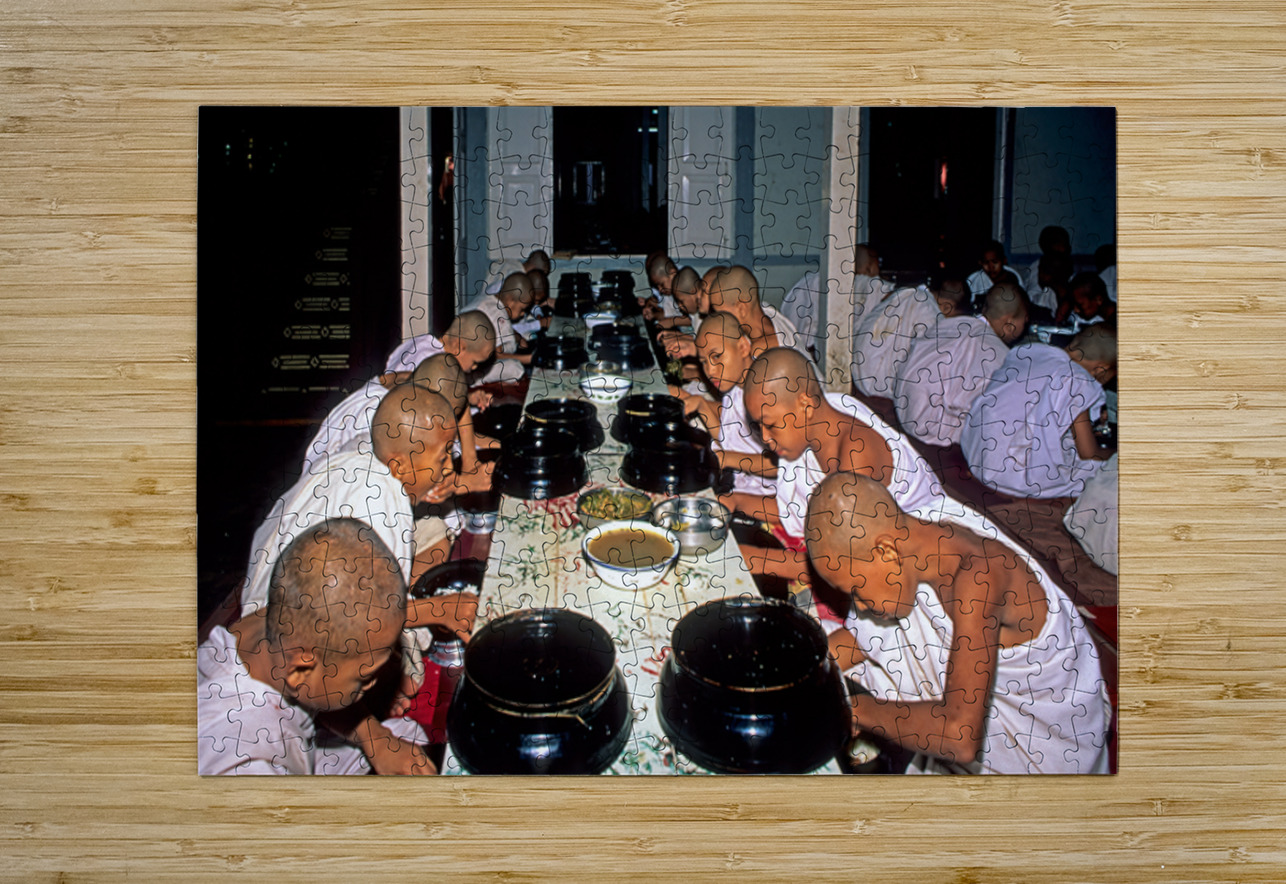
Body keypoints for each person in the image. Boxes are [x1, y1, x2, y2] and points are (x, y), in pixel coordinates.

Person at [807, 473, 1111, 774]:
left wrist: (854, 711)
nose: (858, 605)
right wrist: (804, 675)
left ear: (885, 550)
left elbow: (960, 736)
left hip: (1043, 752)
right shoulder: (915, 537)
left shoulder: (979, 579)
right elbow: (864, 639)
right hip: (965, 716)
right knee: (827, 650)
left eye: (856, 591)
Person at [200, 518, 435, 775]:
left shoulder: (279, 622)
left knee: (408, 740)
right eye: (364, 678)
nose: (373, 684)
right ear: (300, 670)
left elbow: (316, 689)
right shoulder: (244, 763)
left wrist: (377, 740)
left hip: (302, 742)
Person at [733, 347, 944, 581]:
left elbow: (841, 566)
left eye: (770, 425)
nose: (765, 438)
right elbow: (799, 508)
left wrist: (751, 558)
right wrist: (735, 501)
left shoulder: (858, 456)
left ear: (804, 403)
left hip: (921, 565)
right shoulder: (817, 424)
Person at [961, 324, 1117, 499]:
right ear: (1101, 369)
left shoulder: (1029, 351)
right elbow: (1090, 453)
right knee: (1105, 471)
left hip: (975, 451)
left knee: (1066, 445)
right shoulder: (1078, 379)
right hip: (1005, 474)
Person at [892, 282, 1027, 448]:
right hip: (932, 431)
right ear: (1009, 322)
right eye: (1024, 320)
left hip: (904, 417)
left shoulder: (946, 325)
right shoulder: (994, 351)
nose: (1025, 326)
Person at [678, 312, 777, 497]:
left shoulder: (767, 390)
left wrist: (726, 459)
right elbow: (729, 440)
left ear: (743, 347)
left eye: (716, 357)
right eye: (704, 362)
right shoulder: (734, 387)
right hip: (740, 481)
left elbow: (780, 465)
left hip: (773, 495)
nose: (710, 370)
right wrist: (702, 407)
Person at [851, 274, 970, 399]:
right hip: (881, 392)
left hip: (858, 377)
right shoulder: (929, 311)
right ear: (946, 307)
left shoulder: (903, 294)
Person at [706, 264, 802, 356]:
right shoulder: (767, 311)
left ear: (741, 309)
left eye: (722, 314)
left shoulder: (762, 350)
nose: (720, 320)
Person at [468, 271, 535, 383]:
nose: (523, 314)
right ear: (510, 301)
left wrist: (518, 337)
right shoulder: (497, 313)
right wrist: (527, 359)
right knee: (515, 368)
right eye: (522, 309)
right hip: (472, 369)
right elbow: (497, 355)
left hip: (471, 361)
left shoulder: (489, 300)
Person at [385, 310, 496, 375]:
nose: (474, 368)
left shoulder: (422, 340)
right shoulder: (438, 368)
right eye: (474, 362)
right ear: (459, 347)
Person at [1022, 225, 1071, 303]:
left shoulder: (1067, 265)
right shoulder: (1037, 269)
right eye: (1062, 244)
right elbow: (1032, 298)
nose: (1068, 247)